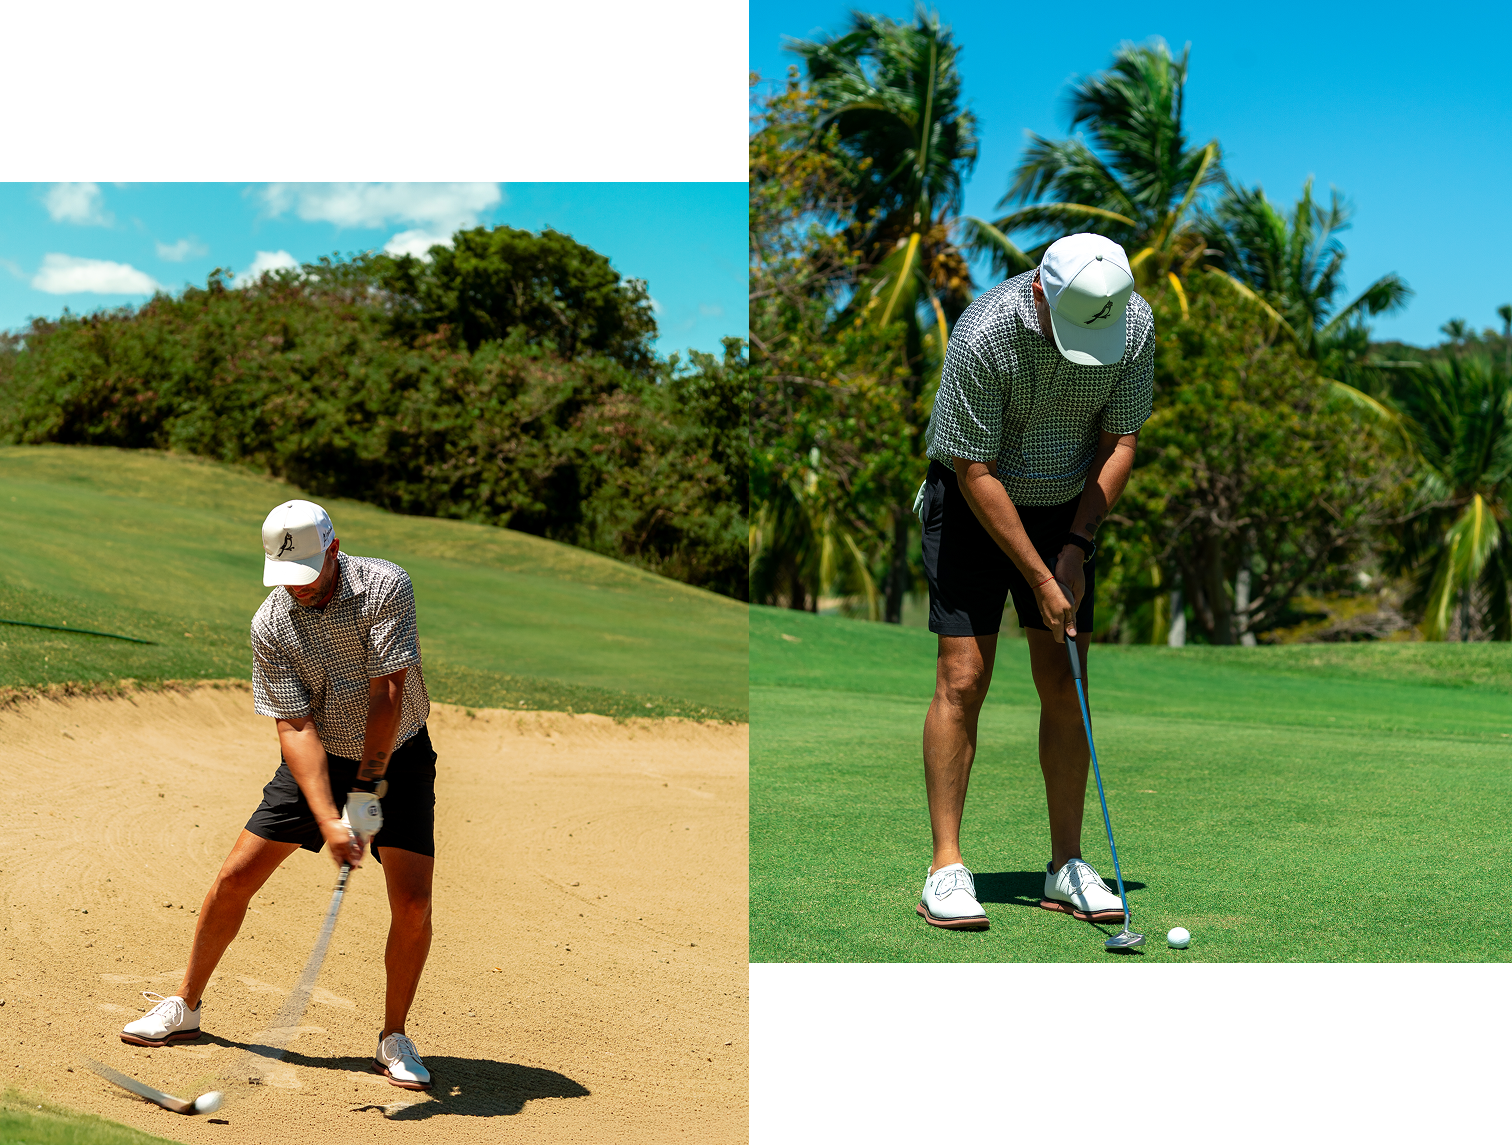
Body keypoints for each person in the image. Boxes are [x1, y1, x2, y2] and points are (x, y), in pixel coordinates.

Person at [121, 499, 438, 1090]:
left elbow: (389, 694)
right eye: (287, 577)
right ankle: (185, 1005)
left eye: (308, 574)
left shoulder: (384, 586)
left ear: (334, 550)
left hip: (398, 752)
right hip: (318, 756)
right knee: (235, 876)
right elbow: (294, 727)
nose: (299, 588)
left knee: (413, 903)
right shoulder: (271, 623)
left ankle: (393, 1036)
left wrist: (366, 791)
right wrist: (329, 817)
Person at [914, 233, 1155, 931]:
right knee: (964, 678)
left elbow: (1120, 441)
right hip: (974, 500)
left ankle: (1066, 865)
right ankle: (946, 867)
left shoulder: (1133, 321)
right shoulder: (984, 333)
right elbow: (974, 469)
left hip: (1066, 508)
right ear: (1041, 292)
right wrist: (1040, 576)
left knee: (1065, 679)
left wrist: (1075, 549)